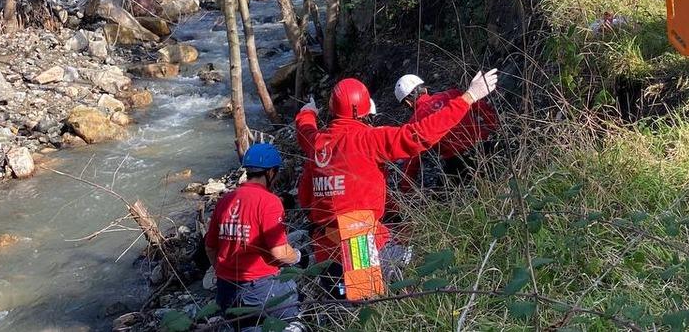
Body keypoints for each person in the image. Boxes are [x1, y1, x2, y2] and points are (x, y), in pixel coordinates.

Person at [296, 71, 499, 283]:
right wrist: (469, 97)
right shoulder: (369, 139)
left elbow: (304, 130)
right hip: (357, 238)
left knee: (338, 303)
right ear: (365, 111)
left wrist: (306, 112)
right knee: (366, 298)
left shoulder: (316, 143)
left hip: (322, 243)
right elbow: (419, 135)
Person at [205, 143, 301, 330]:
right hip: (261, 287)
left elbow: (210, 247)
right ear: (271, 173)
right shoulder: (269, 202)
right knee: (292, 321)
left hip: (226, 290)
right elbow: (280, 253)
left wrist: (223, 271)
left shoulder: (225, 201)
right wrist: (297, 256)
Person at [394, 74, 500, 188]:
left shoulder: (414, 123)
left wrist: (405, 188)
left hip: (458, 163)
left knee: (440, 199)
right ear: (424, 89)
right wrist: (495, 131)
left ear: (408, 103)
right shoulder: (453, 94)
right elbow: (484, 109)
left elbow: (412, 162)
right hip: (487, 147)